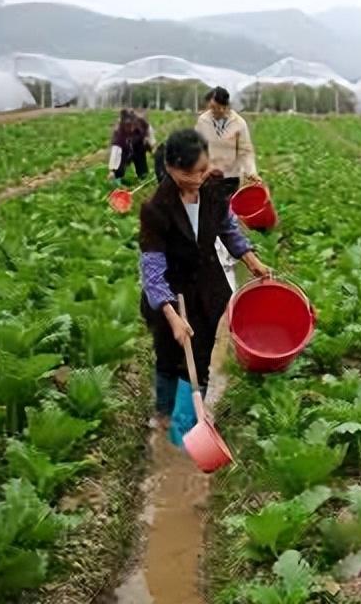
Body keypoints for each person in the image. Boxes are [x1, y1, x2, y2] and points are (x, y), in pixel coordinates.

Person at [138, 128, 270, 433]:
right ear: (171, 168)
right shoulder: (156, 209)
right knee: (169, 352)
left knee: (200, 353)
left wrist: (252, 261)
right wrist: (171, 316)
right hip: (172, 288)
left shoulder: (213, 187)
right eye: (191, 173)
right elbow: (153, 271)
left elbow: (227, 228)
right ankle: (163, 410)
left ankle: (184, 425)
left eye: (202, 168)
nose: (199, 178)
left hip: (207, 287)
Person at [195, 87, 261, 199]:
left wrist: (251, 172)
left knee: (228, 208)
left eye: (221, 107)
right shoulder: (203, 121)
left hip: (231, 176)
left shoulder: (239, 123)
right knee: (208, 209)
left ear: (227, 106)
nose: (217, 111)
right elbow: (196, 147)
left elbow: (245, 151)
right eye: (213, 108)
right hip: (209, 175)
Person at [107, 108, 155, 185]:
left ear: (135, 121)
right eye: (127, 125)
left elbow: (149, 132)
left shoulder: (142, 123)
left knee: (142, 169)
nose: (130, 128)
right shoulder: (118, 132)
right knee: (119, 165)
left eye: (131, 124)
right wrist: (112, 171)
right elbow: (115, 152)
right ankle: (117, 180)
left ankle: (142, 177)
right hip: (125, 149)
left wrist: (152, 147)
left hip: (139, 146)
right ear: (123, 124)